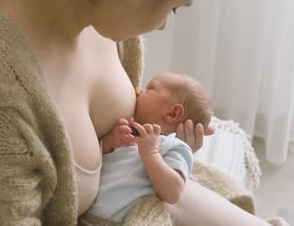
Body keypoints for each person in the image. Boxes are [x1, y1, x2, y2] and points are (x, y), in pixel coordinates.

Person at [0, 0, 289, 225]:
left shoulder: (99, 19)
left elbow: (116, 134)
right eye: (173, 8)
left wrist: (168, 143)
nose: (161, 25)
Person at [83, 72, 211, 224]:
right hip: (85, 216)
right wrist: (108, 143)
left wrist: (151, 154)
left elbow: (173, 193)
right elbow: (97, 163)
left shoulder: (173, 147)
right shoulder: (127, 131)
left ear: (172, 113)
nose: (138, 91)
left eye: (150, 88)